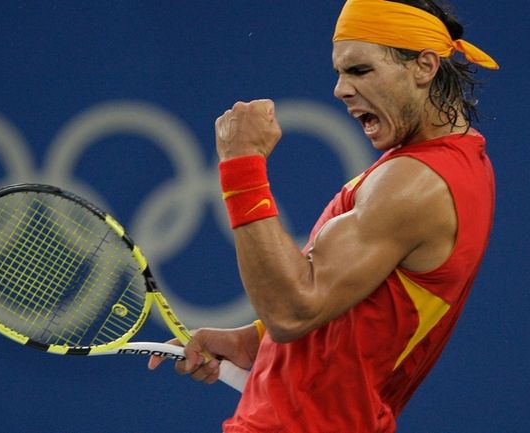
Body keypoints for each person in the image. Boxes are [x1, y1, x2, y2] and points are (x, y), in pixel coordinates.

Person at [149, 0, 498, 431]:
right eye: (339, 72)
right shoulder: (431, 165)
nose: (340, 89)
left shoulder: (416, 183)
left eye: (359, 70)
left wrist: (241, 164)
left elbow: (294, 311)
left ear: (424, 66)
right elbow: (352, 315)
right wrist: (257, 341)